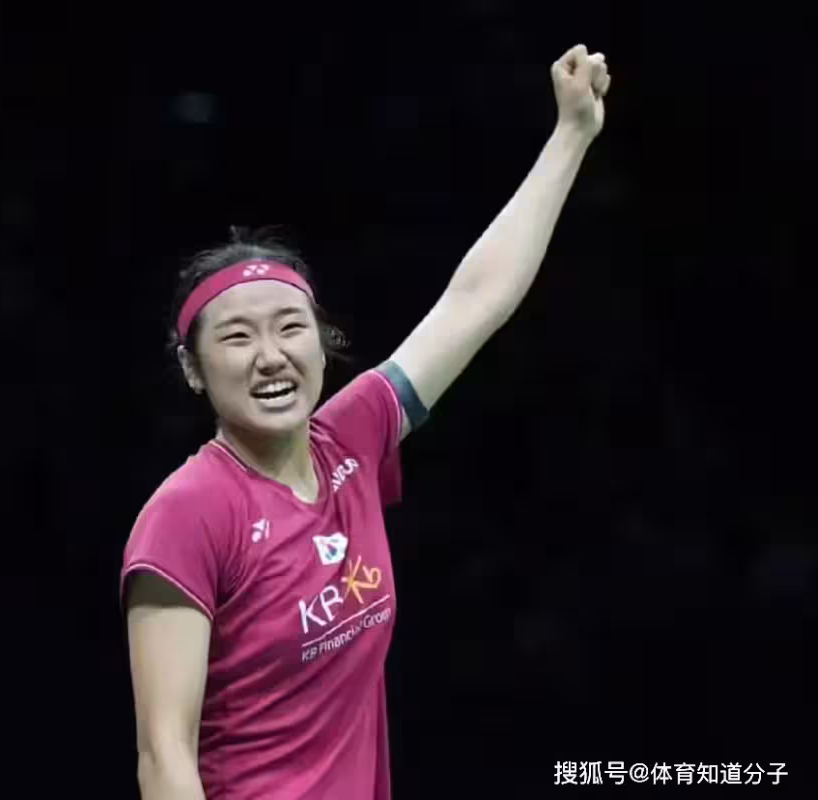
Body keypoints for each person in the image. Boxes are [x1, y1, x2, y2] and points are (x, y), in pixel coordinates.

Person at [120, 44, 612, 800]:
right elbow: (164, 758)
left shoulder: (352, 438)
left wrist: (570, 135)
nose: (270, 355)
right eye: (237, 337)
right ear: (193, 368)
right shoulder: (189, 513)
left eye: (290, 327)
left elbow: (475, 300)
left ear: (322, 343)